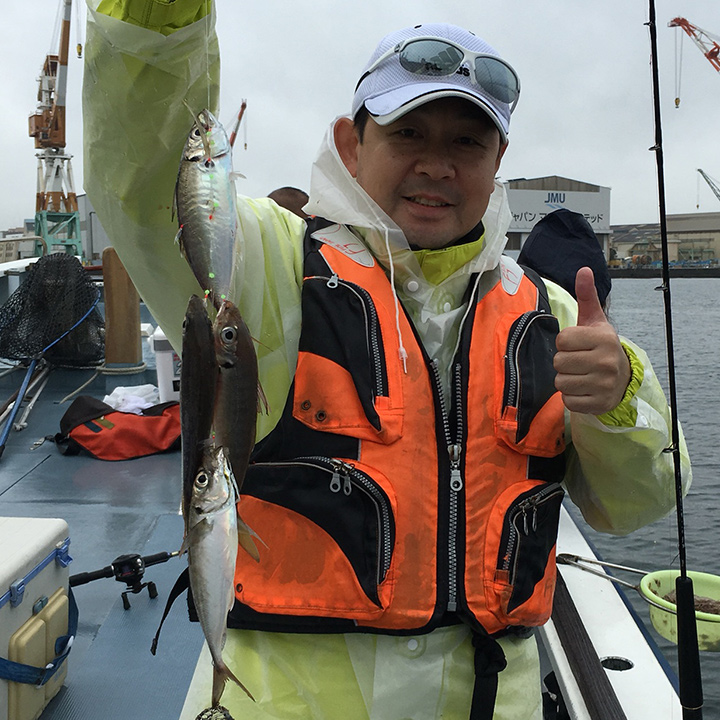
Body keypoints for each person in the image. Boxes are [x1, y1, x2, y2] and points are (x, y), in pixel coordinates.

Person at [83, 8, 691, 720]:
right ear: (350, 143)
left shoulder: (557, 313)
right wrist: (159, 21)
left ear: (498, 161)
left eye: (467, 141)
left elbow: (640, 501)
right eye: (408, 132)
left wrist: (616, 400)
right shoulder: (268, 266)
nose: (437, 164)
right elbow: (151, 185)